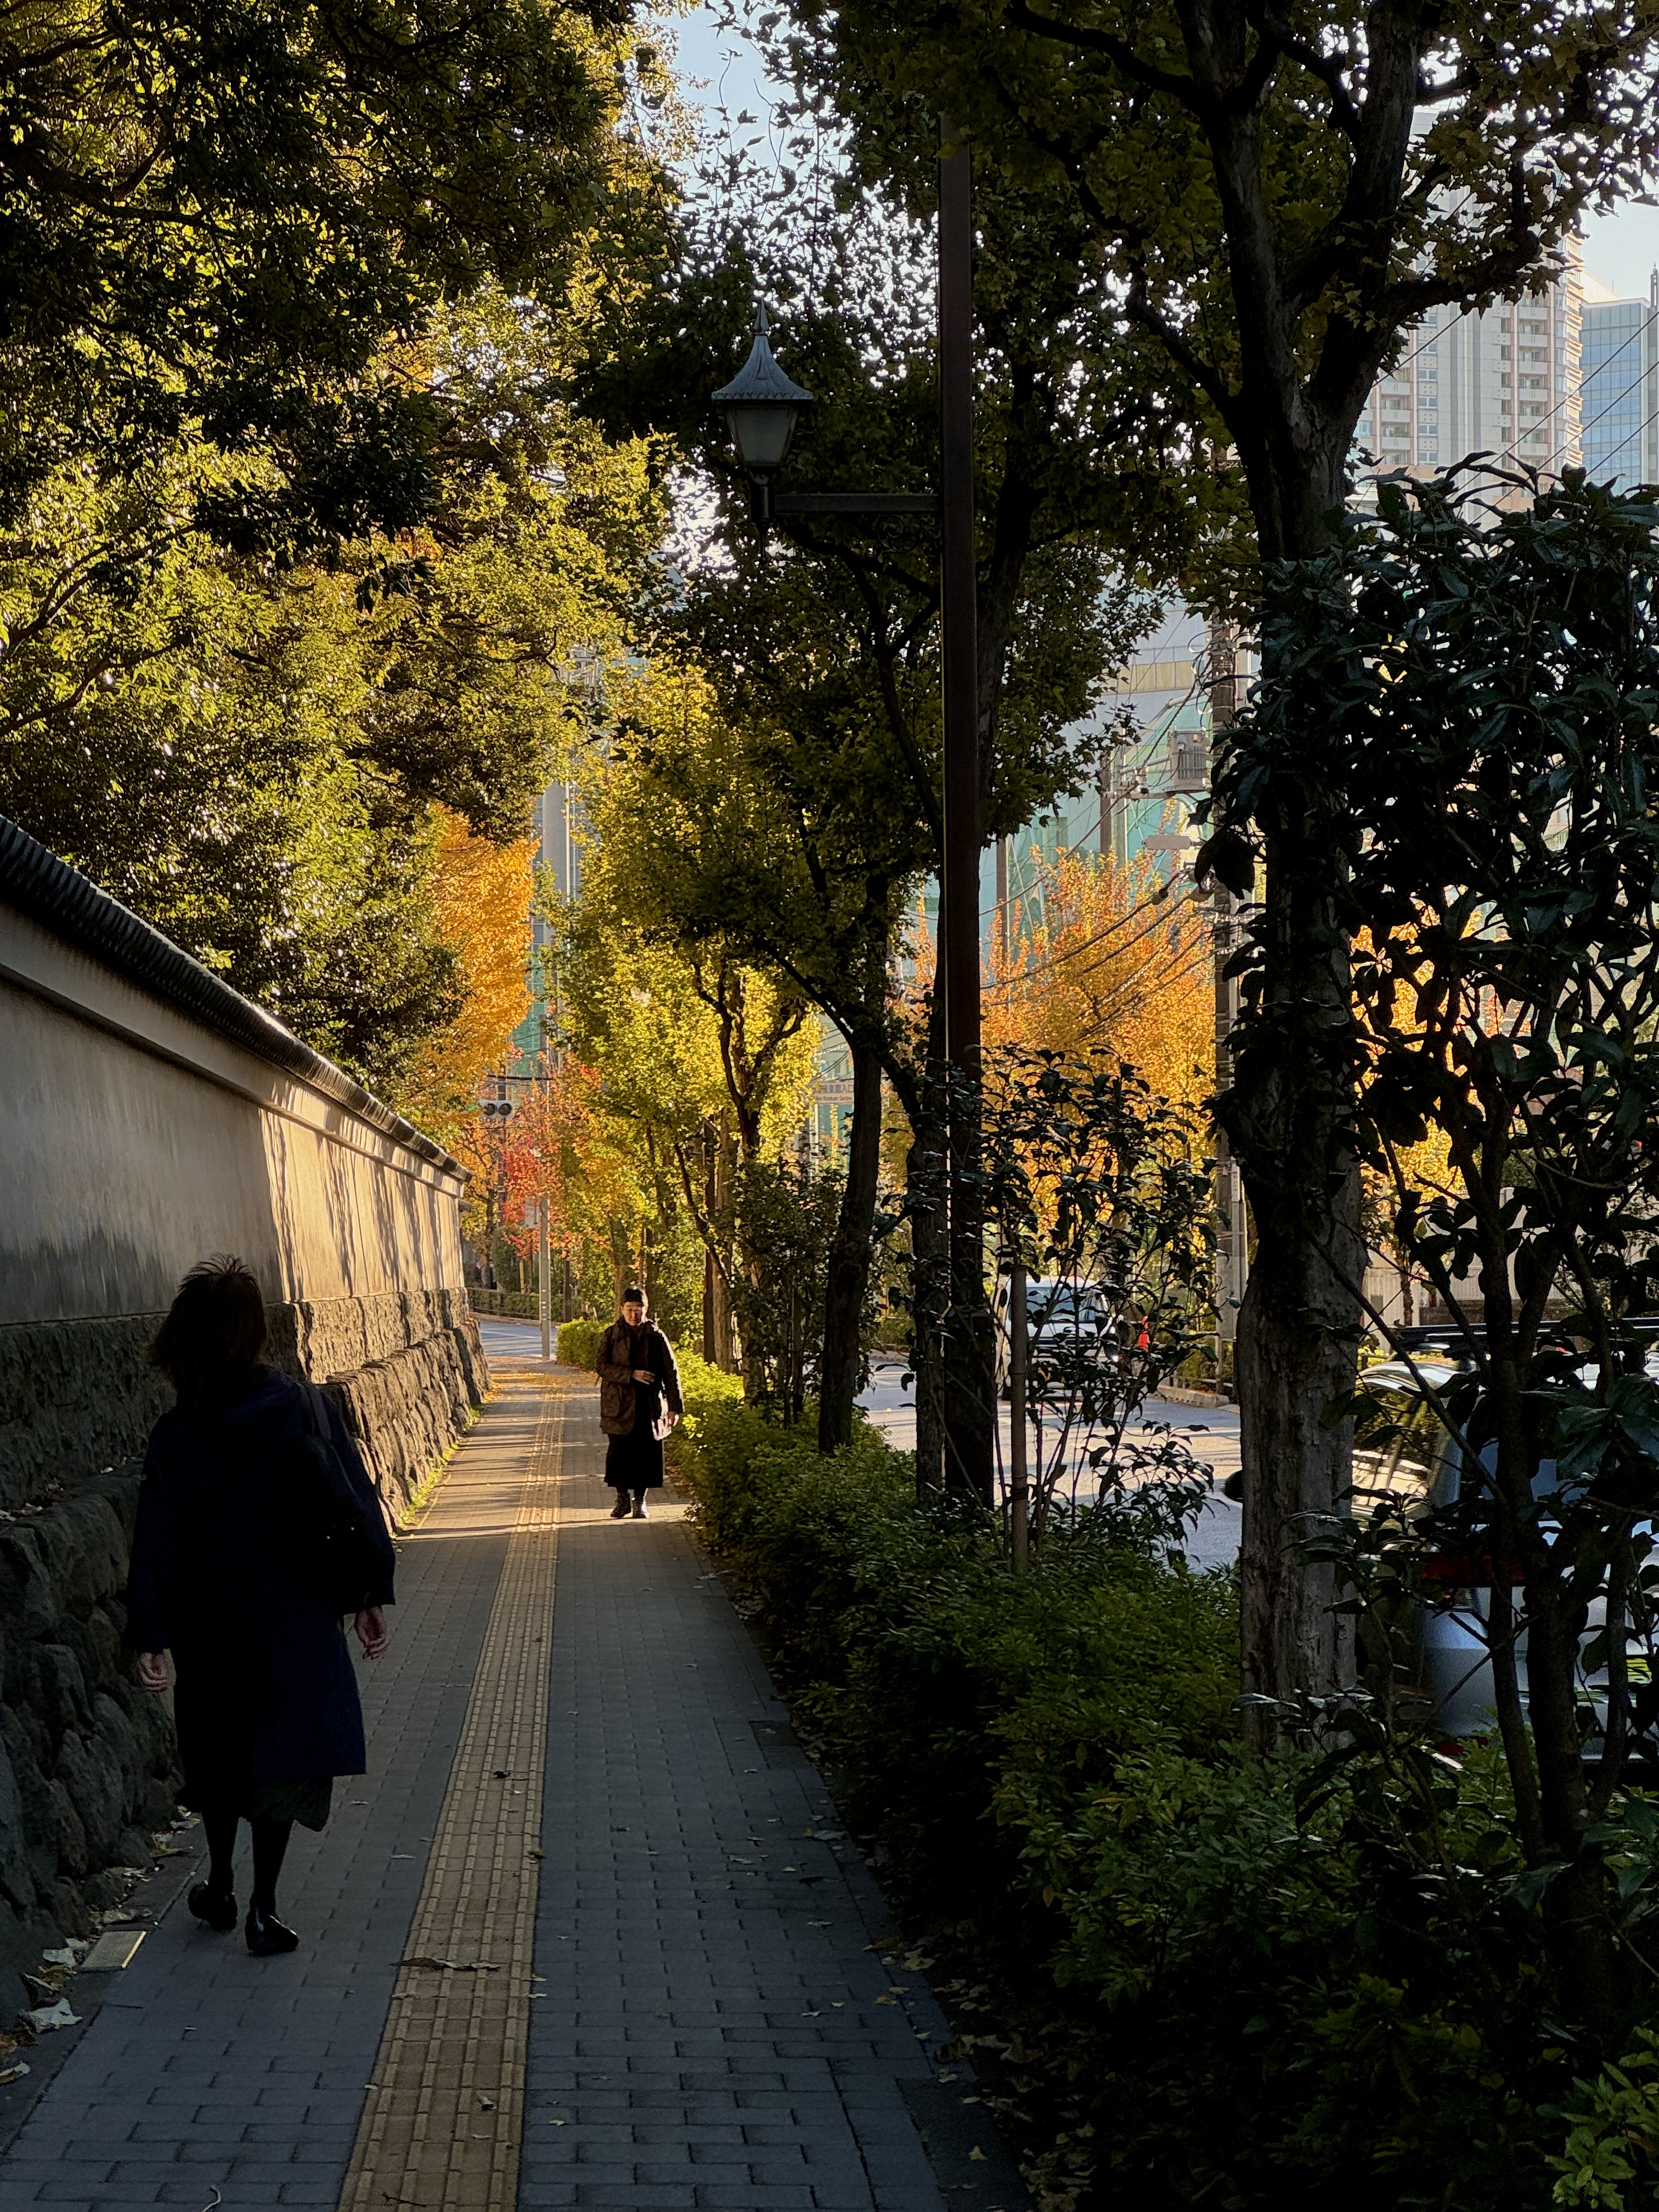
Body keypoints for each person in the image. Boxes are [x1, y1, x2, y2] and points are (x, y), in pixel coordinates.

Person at [125, 1255, 395, 1956]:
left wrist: (150, 1633)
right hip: (297, 1615)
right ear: (253, 1332)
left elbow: (155, 1539)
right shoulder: (306, 1408)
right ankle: (265, 1910)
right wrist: (367, 1594)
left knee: (219, 1753)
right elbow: (355, 1504)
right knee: (283, 1755)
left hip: (209, 1624)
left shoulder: (178, 1433)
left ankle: (218, 1883)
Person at [595, 1286, 683, 1520]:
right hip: (618, 1404)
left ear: (646, 1309)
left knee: (645, 1454)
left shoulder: (656, 1337)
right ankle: (622, 1499)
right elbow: (601, 1366)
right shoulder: (612, 1335)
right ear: (622, 1309)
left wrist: (674, 1407)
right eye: (629, 1309)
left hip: (648, 1404)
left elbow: (671, 1372)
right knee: (619, 1454)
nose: (634, 1314)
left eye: (638, 1309)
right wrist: (631, 1374)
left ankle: (640, 1502)